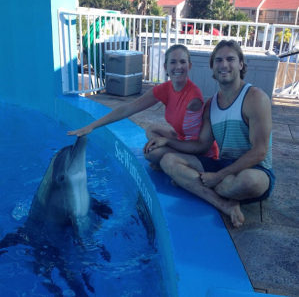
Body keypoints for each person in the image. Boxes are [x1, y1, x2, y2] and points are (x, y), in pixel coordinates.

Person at [144, 40, 275, 227]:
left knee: (249, 181)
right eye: (218, 60)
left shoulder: (255, 98)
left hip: (257, 170)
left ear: (241, 64)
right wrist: (167, 141)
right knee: (168, 161)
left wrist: (219, 175)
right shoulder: (211, 105)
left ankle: (193, 184)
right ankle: (224, 203)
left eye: (230, 59)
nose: (224, 65)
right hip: (223, 164)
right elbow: (201, 145)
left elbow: (260, 151)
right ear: (212, 67)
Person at [68, 44, 218, 169]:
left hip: (199, 153)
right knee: (151, 129)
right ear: (166, 66)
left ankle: (177, 164)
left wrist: (164, 143)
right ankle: (167, 160)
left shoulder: (193, 98)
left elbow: (198, 144)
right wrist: (92, 126)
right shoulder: (165, 88)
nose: (178, 66)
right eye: (173, 62)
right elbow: (128, 109)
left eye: (182, 62)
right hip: (182, 139)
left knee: (151, 154)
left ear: (189, 65)